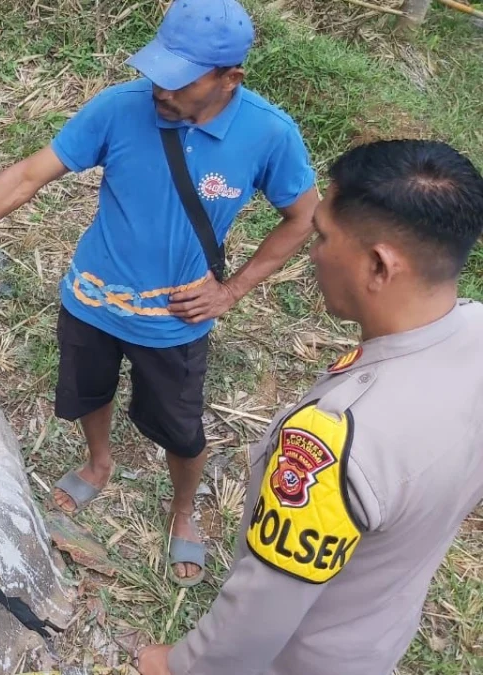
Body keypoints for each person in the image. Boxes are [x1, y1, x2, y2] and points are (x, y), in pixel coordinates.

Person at [0, 0, 319, 585]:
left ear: (229, 78)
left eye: (180, 80)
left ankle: (183, 509)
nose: (161, 90)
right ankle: (99, 462)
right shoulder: (121, 107)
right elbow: (28, 175)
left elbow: (302, 217)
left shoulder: (269, 134)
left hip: (174, 321)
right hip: (90, 301)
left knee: (181, 431)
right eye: (158, 71)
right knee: (88, 394)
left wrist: (231, 290)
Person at [133, 138, 483, 675]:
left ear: (379, 266)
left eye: (321, 235)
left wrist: (179, 665)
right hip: (377, 638)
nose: (312, 252)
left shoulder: (339, 438)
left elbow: (260, 614)